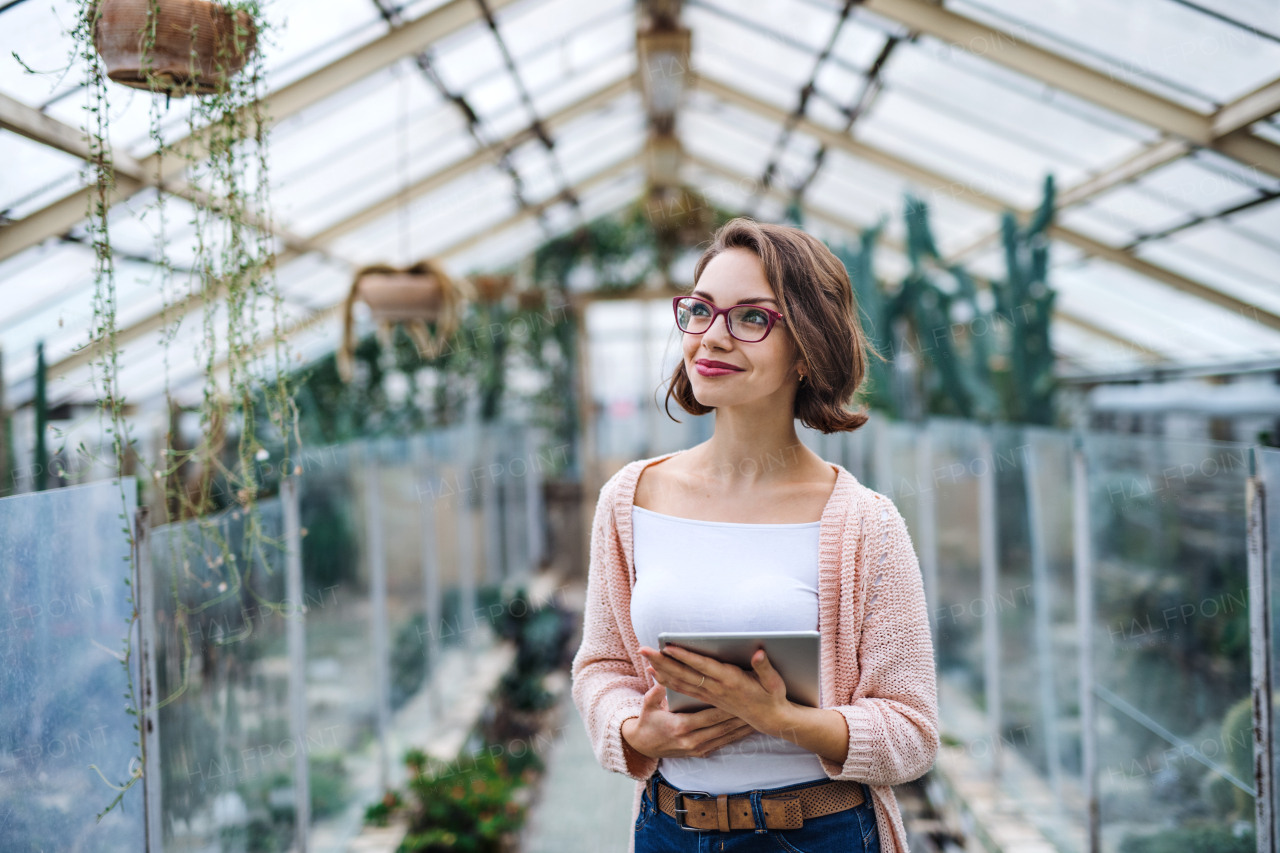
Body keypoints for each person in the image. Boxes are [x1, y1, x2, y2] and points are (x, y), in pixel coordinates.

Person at [571, 217, 938, 853]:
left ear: (806, 349)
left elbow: (912, 732)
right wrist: (636, 731)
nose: (711, 338)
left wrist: (784, 721)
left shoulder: (864, 523)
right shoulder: (629, 500)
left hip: (819, 834)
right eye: (701, 311)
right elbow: (601, 668)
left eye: (751, 318)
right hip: (668, 830)